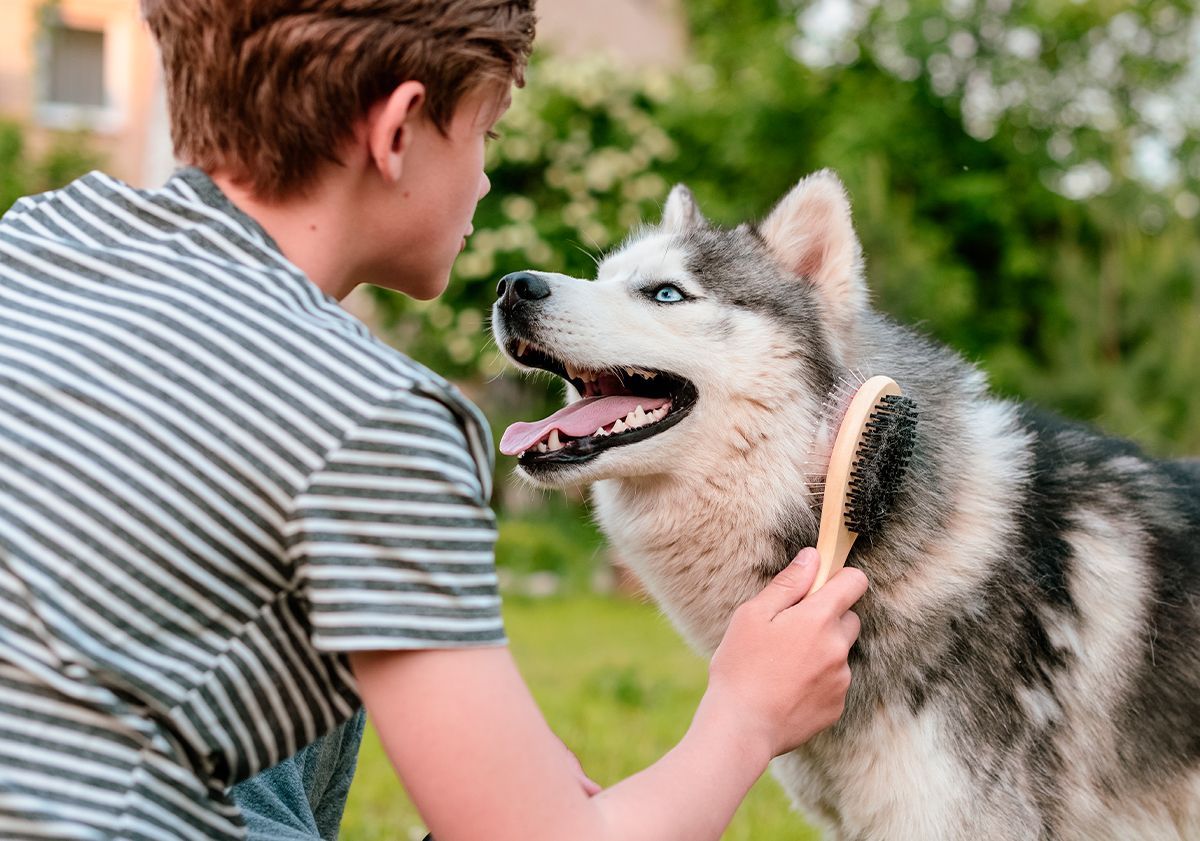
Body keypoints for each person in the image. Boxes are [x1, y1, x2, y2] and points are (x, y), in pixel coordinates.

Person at [0, 1, 869, 839]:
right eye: (485, 134)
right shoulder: (374, 419)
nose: (486, 175)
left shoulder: (42, 235)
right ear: (398, 131)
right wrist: (746, 714)